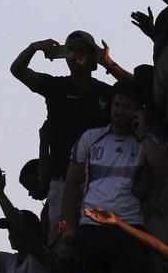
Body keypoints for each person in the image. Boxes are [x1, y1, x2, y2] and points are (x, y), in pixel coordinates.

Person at [60, 81, 168, 273]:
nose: (119, 111)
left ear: (138, 111)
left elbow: (165, 168)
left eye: (126, 107)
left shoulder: (147, 140)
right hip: (91, 227)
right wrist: (70, 227)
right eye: (116, 105)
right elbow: (71, 185)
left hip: (129, 228)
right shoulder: (91, 138)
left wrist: (142, 135)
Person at [10, 33, 132, 228]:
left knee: (97, 236)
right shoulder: (55, 87)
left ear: (93, 58)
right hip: (62, 180)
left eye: (80, 51)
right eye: (69, 50)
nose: (74, 56)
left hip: (98, 181)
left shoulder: (106, 94)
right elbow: (17, 70)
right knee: (61, 245)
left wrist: (108, 62)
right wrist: (35, 47)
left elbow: (137, 90)